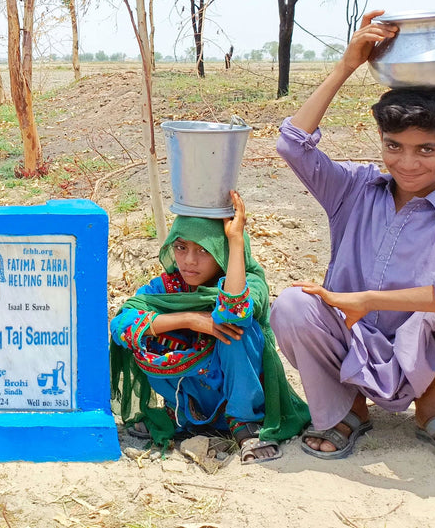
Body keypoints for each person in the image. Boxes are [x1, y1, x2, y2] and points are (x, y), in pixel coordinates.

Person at [271, 9, 435, 471]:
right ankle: (349, 409)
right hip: (352, 338)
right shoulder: (353, 188)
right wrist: (346, 65)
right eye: (394, 146)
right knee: (290, 305)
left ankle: (433, 407)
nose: (407, 163)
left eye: (426, 149)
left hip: (426, 348)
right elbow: (292, 144)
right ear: (382, 140)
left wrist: (368, 298)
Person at [111, 191, 309, 463]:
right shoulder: (167, 288)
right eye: (181, 247)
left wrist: (236, 241)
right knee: (143, 333)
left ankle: (244, 423)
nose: (189, 260)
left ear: (222, 251)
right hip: (190, 398)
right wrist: (190, 319)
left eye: (203, 250)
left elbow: (234, 312)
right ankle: (180, 414)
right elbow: (121, 325)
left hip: (234, 393)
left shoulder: (251, 282)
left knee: (235, 330)